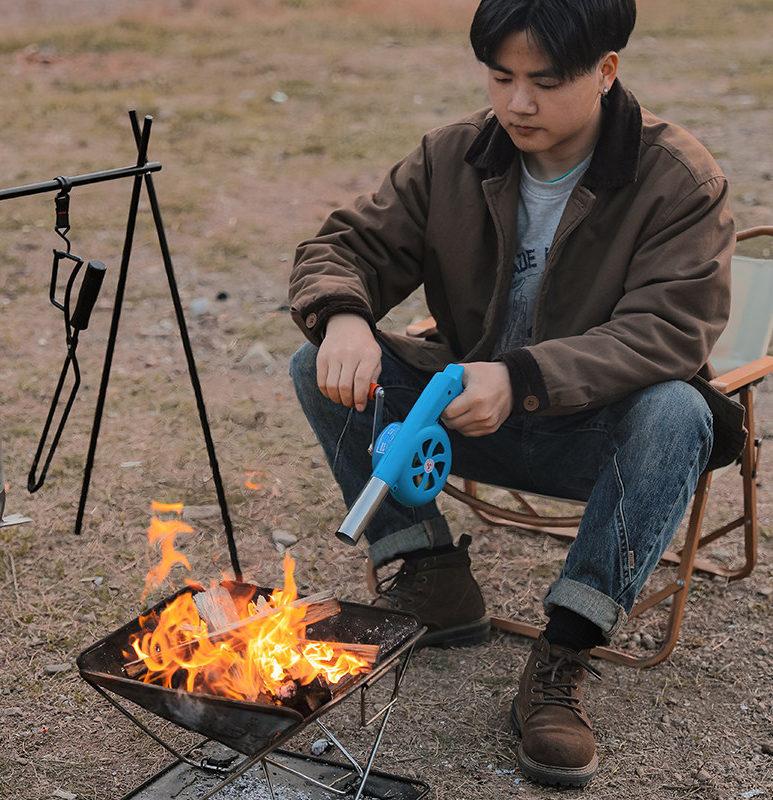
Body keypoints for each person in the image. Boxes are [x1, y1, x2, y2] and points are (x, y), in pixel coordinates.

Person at [288, 0, 744, 787]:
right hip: (467, 418)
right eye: (501, 78)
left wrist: (522, 377)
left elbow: (668, 331)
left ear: (606, 70)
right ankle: (432, 576)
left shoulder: (678, 179)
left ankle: (564, 652)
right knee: (317, 362)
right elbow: (346, 247)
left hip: (598, 442)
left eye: (546, 82)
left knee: (678, 408)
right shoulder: (454, 155)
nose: (518, 103)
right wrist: (344, 318)